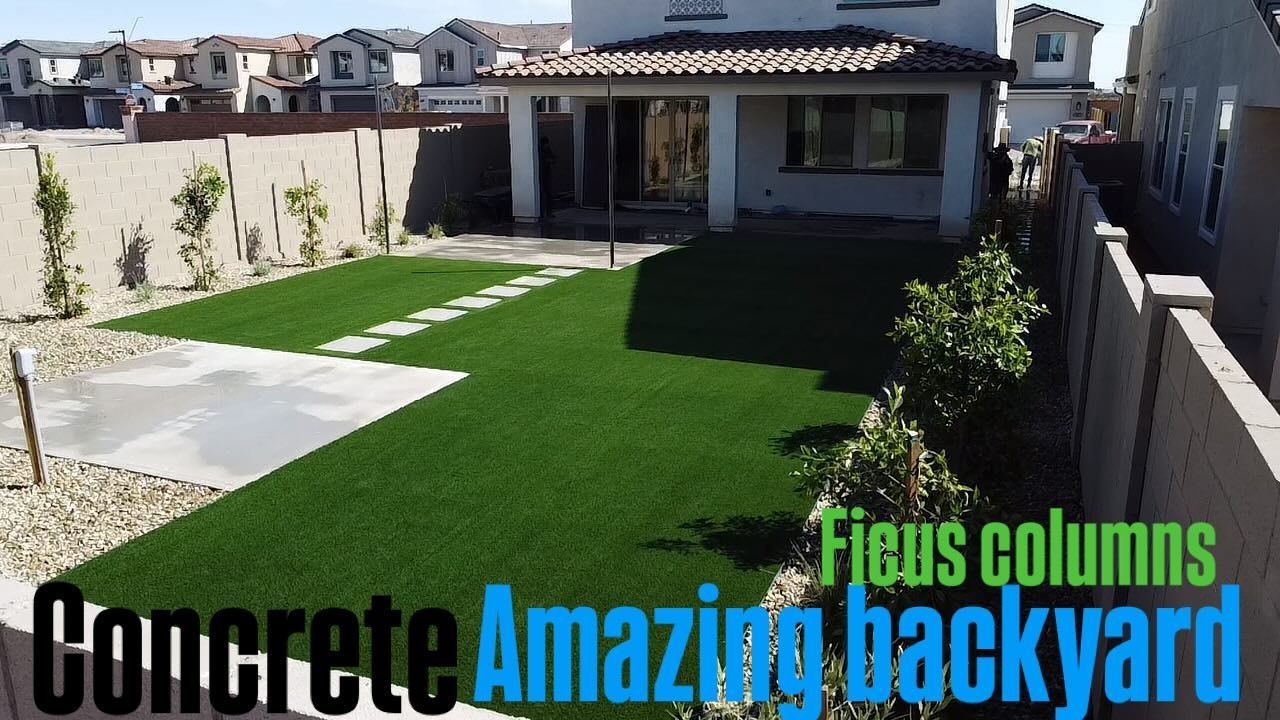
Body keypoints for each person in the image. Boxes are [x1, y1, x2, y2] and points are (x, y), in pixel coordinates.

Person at [539, 136, 556, 219]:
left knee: (548, 193)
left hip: (546, 174)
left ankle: (548, 212)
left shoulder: (546, 150)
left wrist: (550, 160)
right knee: (544, 194)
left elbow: (553, 159)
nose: (547, 145)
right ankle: (544, 212)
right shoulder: (540, 151)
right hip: (541, 174)